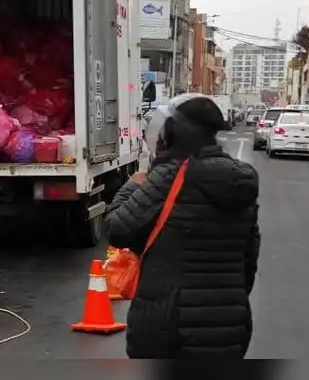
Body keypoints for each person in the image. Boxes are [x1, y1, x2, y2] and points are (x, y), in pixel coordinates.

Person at [106, 93, 260, 359]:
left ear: (174, 131)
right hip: (228, 324)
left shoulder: (168, 176)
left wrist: (133, 184)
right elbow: (249, 261)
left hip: (167, 323)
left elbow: (117, 229)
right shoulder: (241, 182)